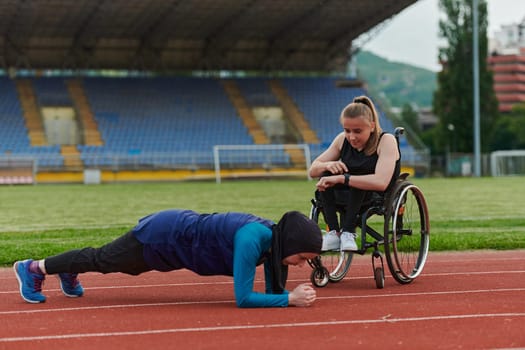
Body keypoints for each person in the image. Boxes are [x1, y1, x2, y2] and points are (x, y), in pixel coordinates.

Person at [13, 209, 322, 308]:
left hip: (176, 248)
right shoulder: (251, 239)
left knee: (113, 265)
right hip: (164, 235)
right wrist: (289, 300)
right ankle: (33, 268)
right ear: (290, 243)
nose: (301, 264)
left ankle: (68, 272)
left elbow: (271, 292)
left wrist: (288, 295)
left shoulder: (273, 242)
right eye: (302, 257)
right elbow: (243, 298)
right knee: (104, 259)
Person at [308, 95, 400, 251]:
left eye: (357, 131)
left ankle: (348, 232)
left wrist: (343, 179)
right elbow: (313, 170)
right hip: (347, 193)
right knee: (326, 175)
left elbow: (381, 182)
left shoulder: (386, 141)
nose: (351, 137)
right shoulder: (341, 140)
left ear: (371, 126)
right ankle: (334, 233)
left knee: (357, 179)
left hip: (374, 195)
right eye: (347, 130)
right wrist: (329, 165)